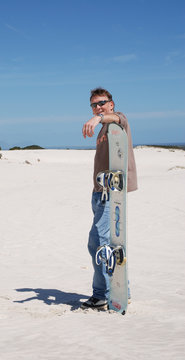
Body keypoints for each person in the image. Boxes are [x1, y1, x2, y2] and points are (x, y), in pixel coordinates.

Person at [81, 87, 138, 310]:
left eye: (102, 103)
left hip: (110, 193)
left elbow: (119, 117)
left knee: (97, 240)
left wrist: (98, 118)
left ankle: (101, 294)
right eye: (94, 105)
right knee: (108, 243)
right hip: (98, 192)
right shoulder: (104, 128)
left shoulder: (116, 121)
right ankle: (122, 289)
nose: (98, 107)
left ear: (111, 103)